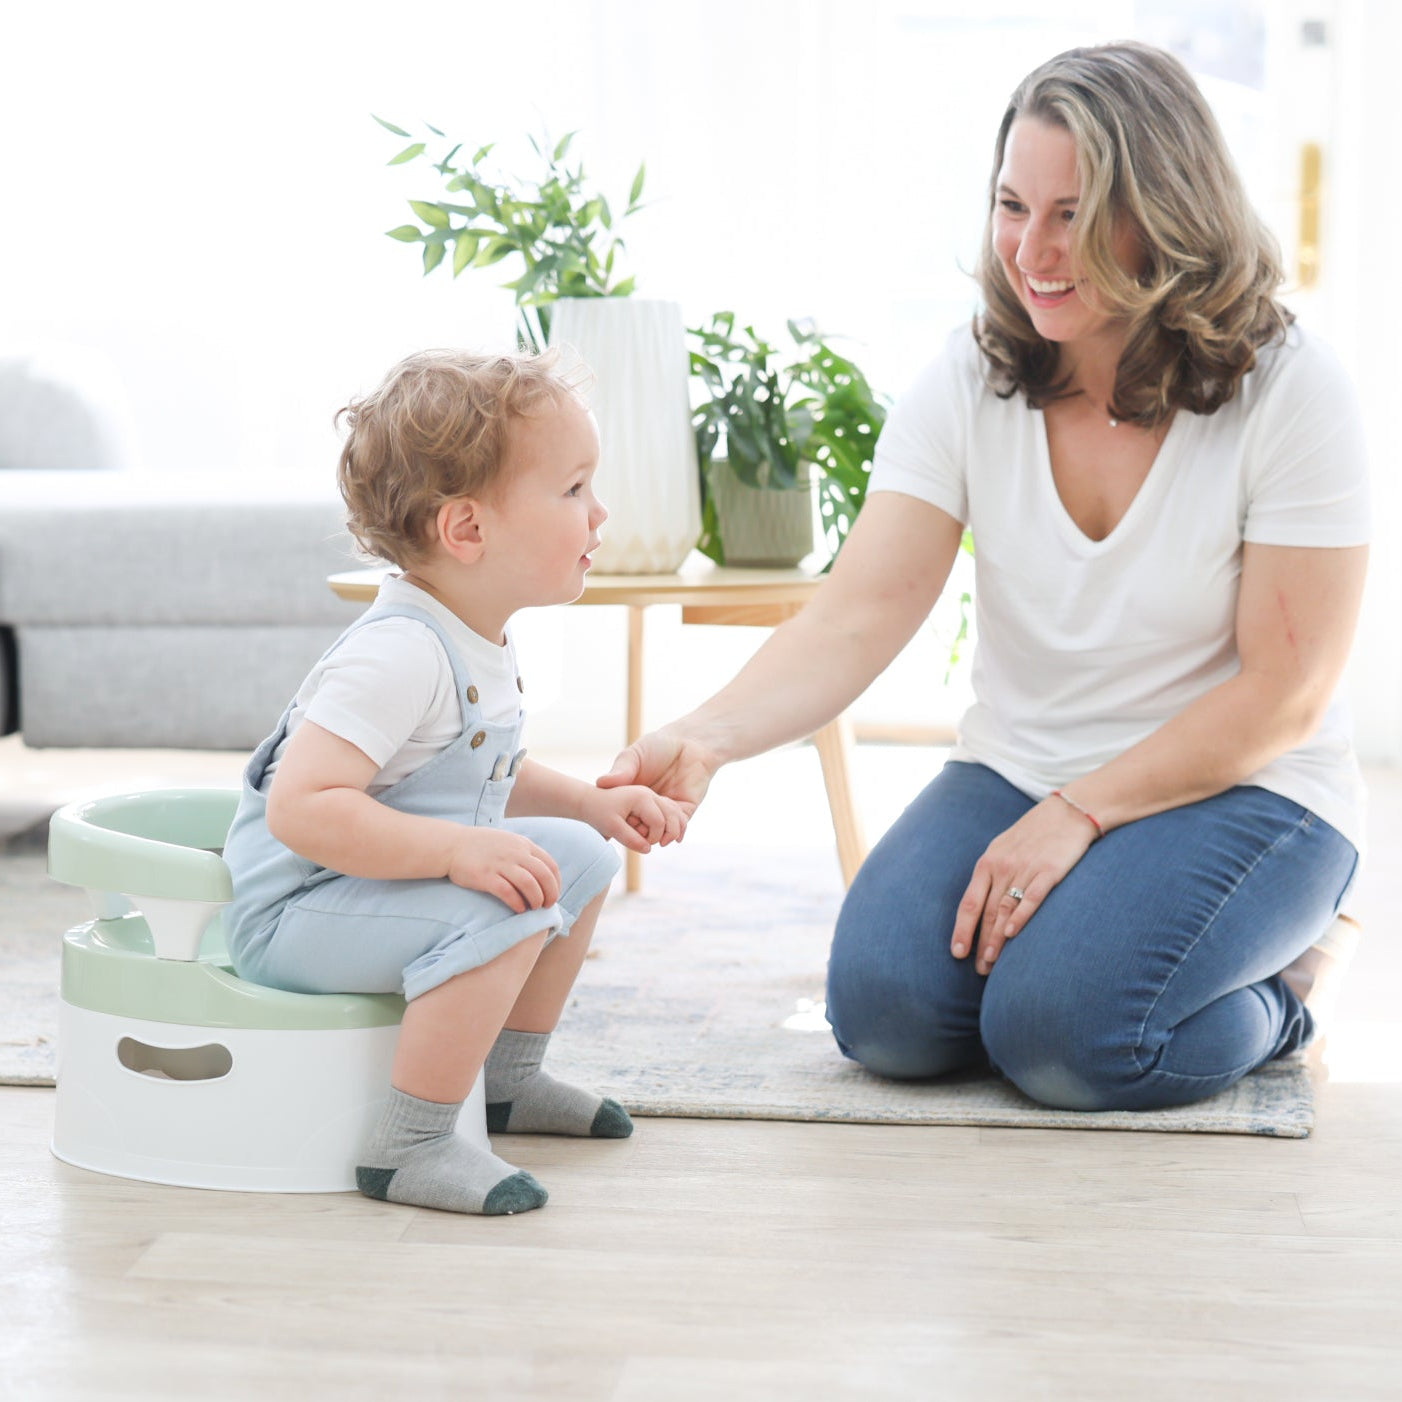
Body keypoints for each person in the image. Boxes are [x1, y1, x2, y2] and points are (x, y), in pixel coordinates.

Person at [601, 41, 1370, 1112]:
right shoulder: (972, 377)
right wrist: (708, 734)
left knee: (1063, 1034)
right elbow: (864, 607)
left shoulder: (1290, 390)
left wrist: (1081, 813)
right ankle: (1106, 939)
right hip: (1021, 767)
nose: (1033, 249)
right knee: (885, 1016)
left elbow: (1281, 692)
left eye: (1076, 212)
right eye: (1015, 205)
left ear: (1166, 210)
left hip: (1246, 790)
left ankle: (1282, 996)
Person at [222, 349, 686, 1215]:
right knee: (505, 892)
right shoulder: (397, 653)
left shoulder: (473, 631)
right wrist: (458, 853)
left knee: (577, 858)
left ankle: (508, 1082)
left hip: (369, 888)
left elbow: (476, 776)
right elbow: (302, 806)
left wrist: (588, 804)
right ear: (469, 531)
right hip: (296, 911)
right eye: (575, 489)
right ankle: (413, 1143)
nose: (601, 511)